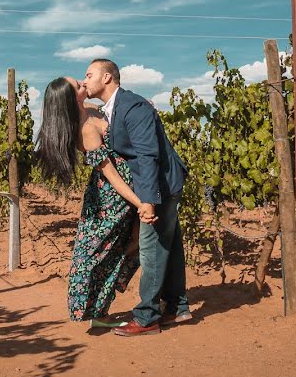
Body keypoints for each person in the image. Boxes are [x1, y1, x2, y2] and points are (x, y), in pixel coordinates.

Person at [83, 58, 191, 337]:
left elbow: (146, 156)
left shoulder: (133, 106)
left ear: (107, 78)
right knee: (169, 245)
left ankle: (147, 317)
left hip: (160, 186)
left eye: (89, 74)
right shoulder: (112, 108)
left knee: (151, 247)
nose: (85, 80)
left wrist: (148, 201)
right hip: (158, 185)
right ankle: (177, 308)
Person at [36, 76, 146, 328]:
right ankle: (97, 313)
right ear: (70, 97)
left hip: (121, 191)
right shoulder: (84, 128)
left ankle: (100, 310)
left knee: (123, 246)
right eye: (78, 85)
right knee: (100, 253)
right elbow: (112, 175)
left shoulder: (94, 109)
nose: (83, 84)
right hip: (111, 197)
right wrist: (139, 202)